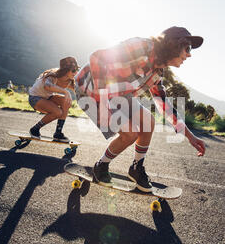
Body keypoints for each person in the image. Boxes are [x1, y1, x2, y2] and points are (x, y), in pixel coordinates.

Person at [74, 26, 206, 192]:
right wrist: (104, 101)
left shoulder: (158, 72)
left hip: (118, 93)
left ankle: (136, 168)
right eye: (187, 48)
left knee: (148, 122)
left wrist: (190, 136)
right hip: (90, 90)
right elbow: (96, 57)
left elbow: (164, 105)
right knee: (130, 133)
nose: (189, 54)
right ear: (173, 45)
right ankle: (101, 166)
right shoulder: (142, 47)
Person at [28, 57, 80, 142]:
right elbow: (47, 86)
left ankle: (58, 133)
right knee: (58, 112)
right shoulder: (53, 75)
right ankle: (35, 129)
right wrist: (66, 92)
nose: (76, 72)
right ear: (66, 70)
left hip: (47, 98)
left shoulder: (69, 80)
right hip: (35, 98)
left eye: (77, 69)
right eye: (73, 70)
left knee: (66, 102)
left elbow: (80, 92)